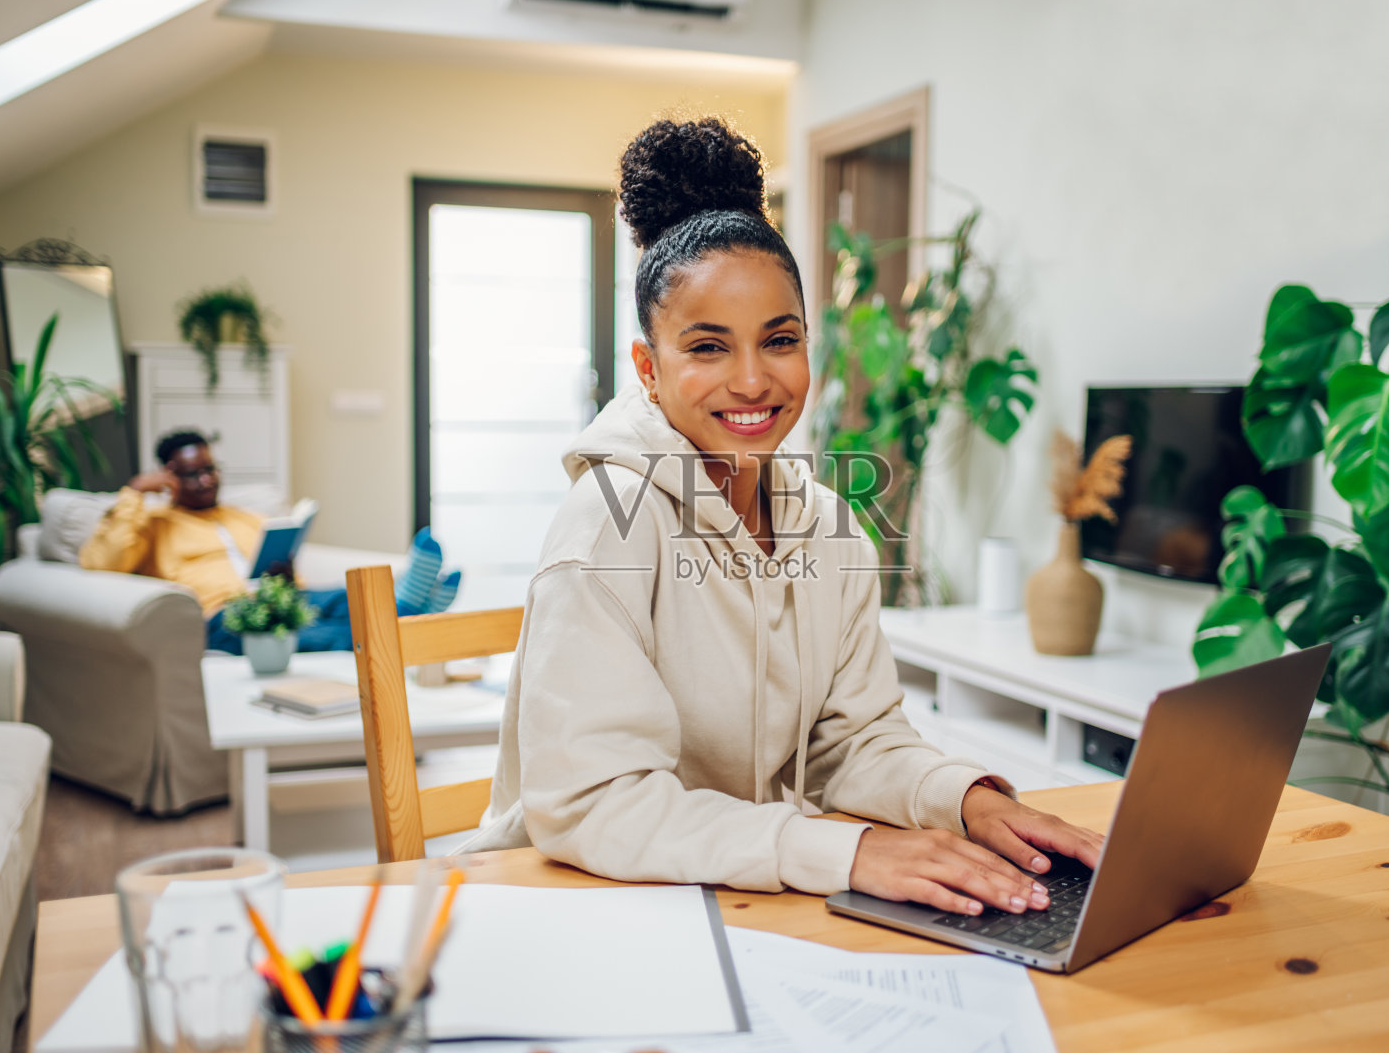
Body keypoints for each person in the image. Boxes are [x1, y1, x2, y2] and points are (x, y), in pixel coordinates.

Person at [462, 118, 1102, 918]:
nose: (753, 379)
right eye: (707, 347)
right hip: (583, 910)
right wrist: (848, 849)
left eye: (780, 339)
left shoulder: (830, 527)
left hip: (743, 902)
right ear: (647, 370)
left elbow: (852, 739)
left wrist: (966, 799)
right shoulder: (606, 527)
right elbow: (596, 802)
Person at [80, 429, 454, 653]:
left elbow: (284, 571)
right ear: (170, 477)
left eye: (209, 469)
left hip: (279, 598)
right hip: (223, 615)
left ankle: (406, 603)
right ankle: (416, 613)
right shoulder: (154, 523)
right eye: (193, 474)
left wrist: (287, 577)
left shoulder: (247, 517)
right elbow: (103, 563)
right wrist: (133, 494)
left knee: (346, 597)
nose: (206, 480)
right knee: (315, 633)